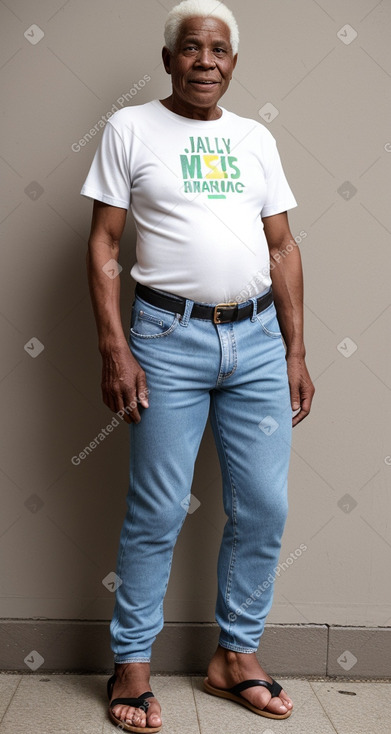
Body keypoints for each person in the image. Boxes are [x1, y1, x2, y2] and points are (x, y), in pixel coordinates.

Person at [81, 0, 314, 730]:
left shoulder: (254, 139)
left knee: (264, 507)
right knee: (156, 509)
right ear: (168, 60)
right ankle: (132, 664)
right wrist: (114, 347)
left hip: (253, 343)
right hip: (164, 338)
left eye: (218, 49)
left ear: (233, 63)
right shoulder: (130, 129)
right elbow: (103, 245)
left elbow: (281, 246)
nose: (204, 60)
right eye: (190, 48)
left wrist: (295, 347)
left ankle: (234, 656)